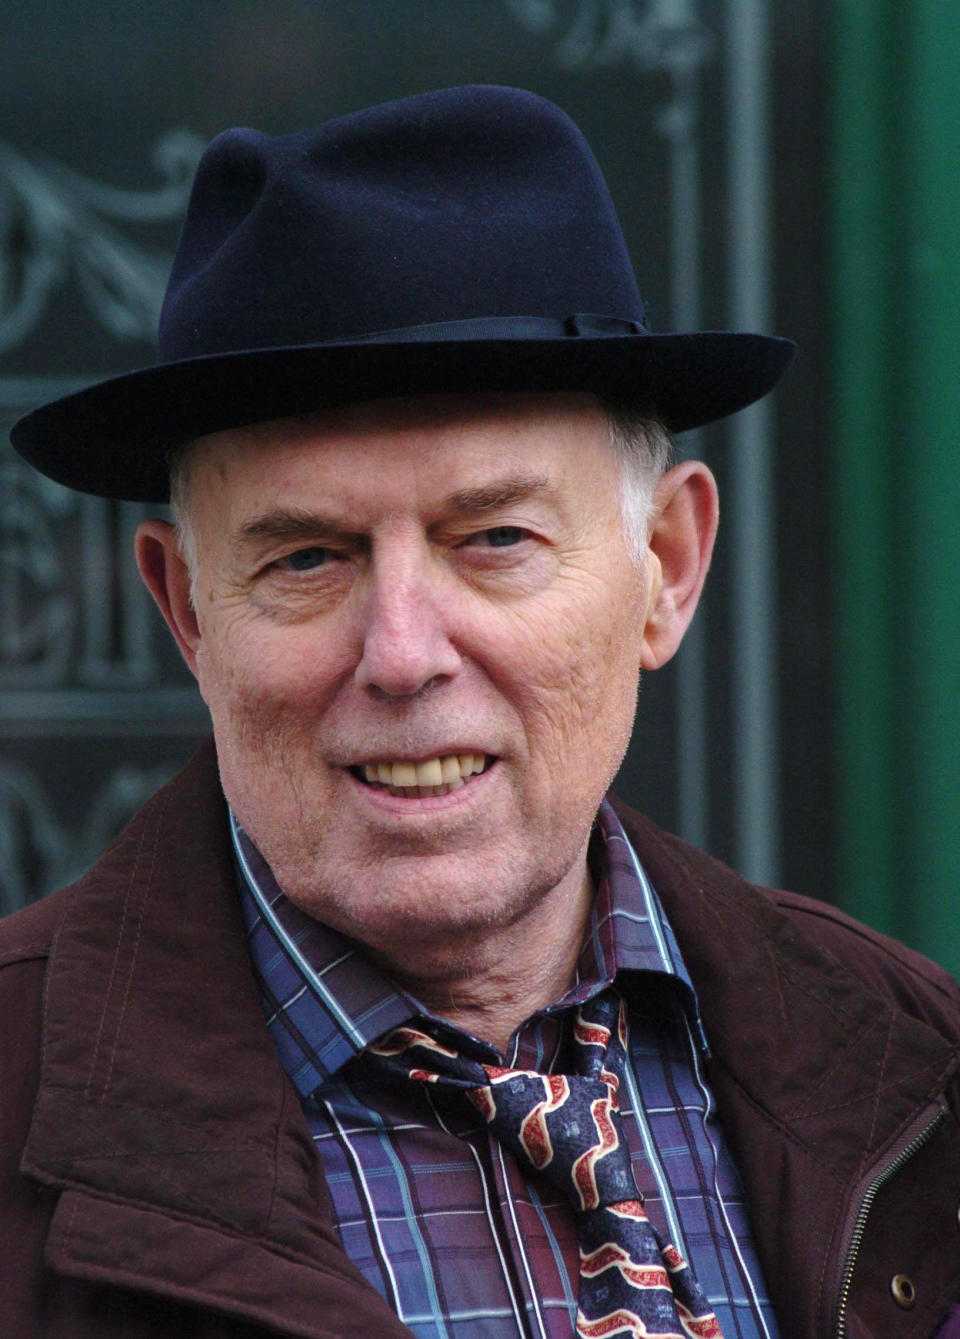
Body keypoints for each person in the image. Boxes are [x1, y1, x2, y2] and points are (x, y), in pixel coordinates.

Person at [3, 85, 959, 1339]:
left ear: (666, 566)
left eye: (495, 538)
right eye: (307, 559)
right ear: (189, 610)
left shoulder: (917, 1068)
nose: (403, 655)